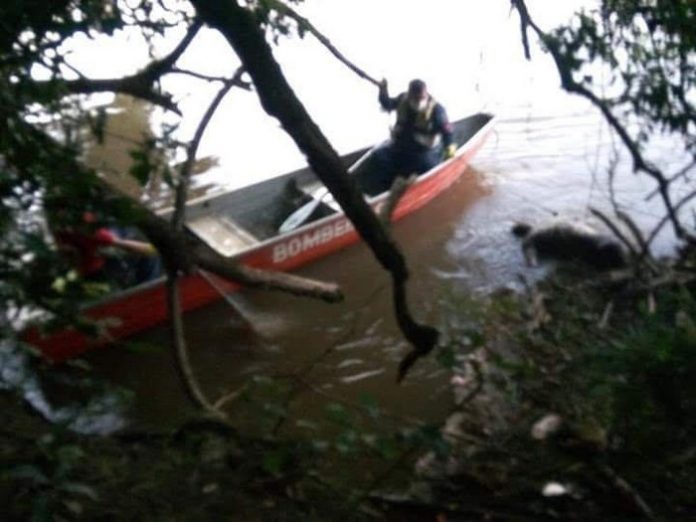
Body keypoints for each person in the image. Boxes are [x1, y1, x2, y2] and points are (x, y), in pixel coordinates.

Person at [370, 78, 455, 193]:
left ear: (425, 94)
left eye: (421, 98)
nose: (418, 101)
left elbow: (448, 133)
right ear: (409, 95)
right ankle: (384, 187)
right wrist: (383, 90)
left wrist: (450, 152)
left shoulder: (437, 110)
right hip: (400, 147)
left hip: (423, 152)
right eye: (415, 98)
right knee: (378, 156)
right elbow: (387, 104)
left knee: (419, 168)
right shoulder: (402, 99)